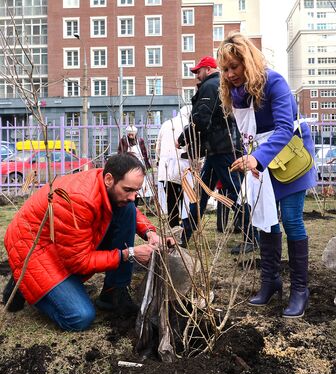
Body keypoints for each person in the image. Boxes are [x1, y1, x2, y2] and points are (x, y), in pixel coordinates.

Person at [2, 153, 174, 331]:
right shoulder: (79, 200)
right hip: (32, 246)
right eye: (128, 190)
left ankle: (113, 292)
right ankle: (22, 281)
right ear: (109, 179)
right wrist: (128, 254)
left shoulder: (106, 183)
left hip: (64, 239)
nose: (133, 196)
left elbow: (128, 210)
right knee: (80, 317)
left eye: (136, 191)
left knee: (128, 208)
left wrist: (149, 232)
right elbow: (79, 262)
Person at [218, 32, 317, 318]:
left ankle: (300, 289)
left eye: (234, 67)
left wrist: (257, 158)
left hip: (289, 157)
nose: (230, 74)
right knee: (264, 219)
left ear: (247, 61)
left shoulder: (274, 82)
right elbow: (249, 131)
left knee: (291, 218)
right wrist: (253, 158)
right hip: (257, 159)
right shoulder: (234, 92)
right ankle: (270, 281)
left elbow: (285, 129)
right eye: (225, 69)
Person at [182, 55, 255, 254]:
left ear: (207, 68)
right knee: (202, 193)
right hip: (219, 148)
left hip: (223, 148)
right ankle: (185, 235)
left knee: (234, 192)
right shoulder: (219, 85)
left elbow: (201, 116)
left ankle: (252, 236)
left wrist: (185, 138)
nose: (196, 75)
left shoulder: (210, 85)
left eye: (198, 71)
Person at [156, 107, 193, 228]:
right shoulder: (188, 125)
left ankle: (173, 225)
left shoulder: (167, 124)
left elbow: (158, 146)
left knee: (171, 198)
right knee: (185, 197)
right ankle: (185, 223)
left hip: (166, 166)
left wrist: (159, 160)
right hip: (183, 166)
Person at [118, 125, 153, 203]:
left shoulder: (140, 141)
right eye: (129, 134)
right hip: (128, 166)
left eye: (132, 134)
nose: (130, 136)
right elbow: (120, 153)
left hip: (139, 166)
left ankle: (138, 202)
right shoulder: (123, 141)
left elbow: (144, 154)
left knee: (139, 186)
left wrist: (148, 167)